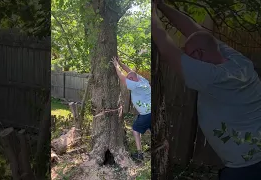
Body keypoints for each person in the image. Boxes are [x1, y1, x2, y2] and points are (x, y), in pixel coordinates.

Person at [152, 1, 261, 179]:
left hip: (247, 169)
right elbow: (194, 30)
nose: (188, 61)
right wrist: (161, 5)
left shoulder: (212, 77)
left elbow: (166, 48)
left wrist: (150, 13)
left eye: (189, 55)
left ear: (199, 54)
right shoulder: (237, 61)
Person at [110, 56, 151, 162]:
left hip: (146, 113)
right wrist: (121, 63)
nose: (128, 81)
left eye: (130, 79)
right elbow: (130, 71)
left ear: (132, 80)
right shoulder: (143, 80)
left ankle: (140, 154)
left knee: (135, 129)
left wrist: (116, 65)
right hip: (150, 112)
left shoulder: (135, 85)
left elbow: (121, 76)